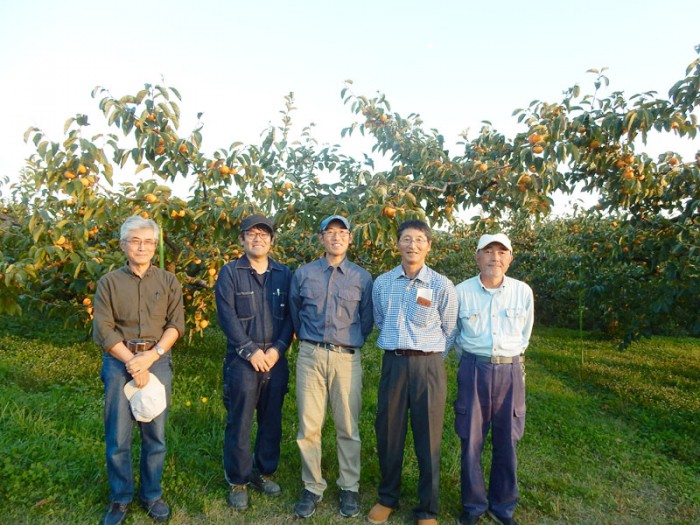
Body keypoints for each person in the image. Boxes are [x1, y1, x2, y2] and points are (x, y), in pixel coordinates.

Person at [93, 216, 185, 525]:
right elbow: (104, 329)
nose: (141, 247)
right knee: (118, 435)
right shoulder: (109, 282)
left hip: (157, 360)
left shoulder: (168, 281)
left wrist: (150, 357)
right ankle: (120, 498)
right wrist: (132, 361)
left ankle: (152, 494)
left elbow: (176, 325)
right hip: (120, 361)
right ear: (123, 245)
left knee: (154, 433)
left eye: (148, 242)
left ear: (155, 246)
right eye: (135, 240)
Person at [368, 219, 458, 525]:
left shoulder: (441, 285)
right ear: (397, 244)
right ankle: (387, 497)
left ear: (429, 246)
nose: (413, 245)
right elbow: (380, 320)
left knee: (428, 438)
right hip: (393, 364)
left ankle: (428, 509)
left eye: (420, 239)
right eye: (407, 239)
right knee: (389, 432)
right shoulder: (382, 283)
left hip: (428, 367)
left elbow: (450, 329)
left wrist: (430, 357)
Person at [289, 215, 374, 519]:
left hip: (346, 358)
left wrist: (346, 344)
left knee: (348, 427)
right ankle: (312, 485)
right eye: (330, 232)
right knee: (308, 425)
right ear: (321, 238)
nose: (336, 237)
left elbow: (366, 321)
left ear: (350, 238)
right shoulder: (303, 274)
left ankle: (348, 485)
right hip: (310, 355)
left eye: (342, 233)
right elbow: (295, 314)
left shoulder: (362, 278)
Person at [452, 233, 534, 525]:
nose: (495, 257)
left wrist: (507, 359)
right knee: (471, 440)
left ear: (510, 259)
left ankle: (503, 507)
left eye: (502, 252)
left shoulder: (523, 292)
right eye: (488, 251)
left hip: (510, 372)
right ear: (476, 256)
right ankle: (473, 507)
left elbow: (525, 334)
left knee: (507, 440)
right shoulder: (460, 291)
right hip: (474, 369)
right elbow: (454, 336)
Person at [214, 213, 294, 510]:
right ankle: (238, 479)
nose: (257, 238)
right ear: (242, 239)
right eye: (251, 233)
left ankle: (263, 471)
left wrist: (278, 349)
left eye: (264, 234)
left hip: (275, 359)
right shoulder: (230, 272)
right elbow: (227, 316)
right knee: (241, 421)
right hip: (243, 360)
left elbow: (290, 317)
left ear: (272, 241)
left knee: (271, 421)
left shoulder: (285, 274)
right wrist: (250, 350)